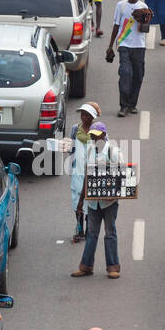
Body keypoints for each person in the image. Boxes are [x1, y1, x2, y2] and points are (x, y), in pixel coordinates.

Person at [71, 122, 125, 279]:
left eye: (96, 134)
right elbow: (87, 177)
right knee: (92, 234)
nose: (93, 136)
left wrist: (114, 194)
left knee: (110, 233)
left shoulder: (113, 150)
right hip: (93, 202)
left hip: (109, 203)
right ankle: (86, 266)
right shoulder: (90, 150)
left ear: (103, 134)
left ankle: (113, 267)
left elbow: (123, 174)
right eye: (92, 135)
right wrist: (81, 201)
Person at [107, 0, 151, 117]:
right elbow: (116, 26)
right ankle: (123, 106)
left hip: (139, 46)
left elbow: (146, 29)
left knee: (138, 76)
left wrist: (143, 20)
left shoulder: (143, 6)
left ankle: (132, 104)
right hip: (124, 45)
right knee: (126, 74)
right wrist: (110, 46)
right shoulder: (121, 6)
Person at [67, 101, 100, 243]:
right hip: (78, 170)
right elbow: (71, 148)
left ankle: (88, 231)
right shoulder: (75, 129)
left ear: (92, 117)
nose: (83, 117)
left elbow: (105, 148)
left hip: (92, 171)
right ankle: (80, 229)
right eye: (82, 114)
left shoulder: (98, 130)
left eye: (87, 115)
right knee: (77, 202)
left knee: (90, 202)